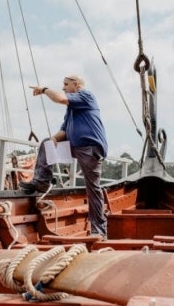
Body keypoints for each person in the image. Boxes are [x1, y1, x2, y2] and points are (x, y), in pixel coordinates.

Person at [22, 75, 109, 238]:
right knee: (46, 143)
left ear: (76, 85)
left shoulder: (86, 96)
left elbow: (60, 98)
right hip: (76, 147)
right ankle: (41, 181)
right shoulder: (72, 109)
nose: (63, 87)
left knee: (93, 189)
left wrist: (45, 90)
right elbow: (64, 130)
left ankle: (99, 229)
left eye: (66, 84)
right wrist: (54, 139)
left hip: (90, 148)